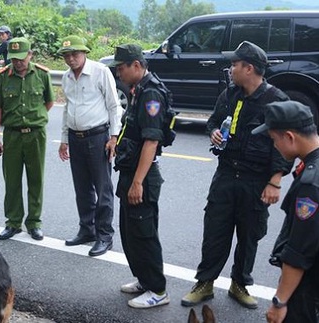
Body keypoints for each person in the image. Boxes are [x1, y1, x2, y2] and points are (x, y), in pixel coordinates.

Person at [181, 41, 293, 309]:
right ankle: (204, 283)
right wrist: (213, 131)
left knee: (249, 235)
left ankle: (240, 284)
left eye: (234, 64)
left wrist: (275, 181)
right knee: (215, 231)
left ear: (249, 68)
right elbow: (213, 120)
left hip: (256, 181)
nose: (230, 68)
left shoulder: (276, 100)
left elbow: (284, 144)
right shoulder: (230, 94)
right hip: (227, 173)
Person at [110, 44, 170, 309]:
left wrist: (137, 182)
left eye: (121, 68)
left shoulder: (151, 94)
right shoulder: (138, 90)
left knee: (144, 234)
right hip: (130, 171)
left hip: (141, 176)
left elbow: (151, 142)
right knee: (130, 231)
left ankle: (157, 289)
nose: (119, 73)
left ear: (136, 65)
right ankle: (144, 279)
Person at [56, 35, 122, 257]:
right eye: (67, 55)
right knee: (82, 187)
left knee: (103, 187)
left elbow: (114, 106)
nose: (71, 59)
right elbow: (67, 109)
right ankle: (87, 229)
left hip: (98, 136)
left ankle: (104, 235)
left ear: (84, 53)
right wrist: (64, 139)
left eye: (75, 54)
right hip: (76, 137)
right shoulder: (66, 77)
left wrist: (114, 137)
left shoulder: (100, 72)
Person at [254, 101, 319, 323]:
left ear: (290, 137)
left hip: (310, 290)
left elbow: (299, 251)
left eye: (274, 140)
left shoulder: (310, 185)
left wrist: (279, 302)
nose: (275, 147)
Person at [0, 37, 54, 241]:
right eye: (13, 59)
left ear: (30, 55)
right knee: (12, 180)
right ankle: (13, 222)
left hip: (36, 134)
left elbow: (49, 102)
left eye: (21, 58)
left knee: (36, 180)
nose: (17, 63)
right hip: (13, 135)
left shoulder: (42, 75)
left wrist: (35, 117)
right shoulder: (2, 77)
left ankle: (34, 222)